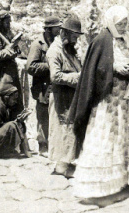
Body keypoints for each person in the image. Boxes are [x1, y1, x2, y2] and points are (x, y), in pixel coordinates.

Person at [69, 6, 129, 204]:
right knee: (108, 139)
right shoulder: (101, 40)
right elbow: (96, 71)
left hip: (127, 100)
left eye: (125, 23)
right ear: (111, 22)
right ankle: (99, 189)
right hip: (109, 102)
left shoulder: (125, 40)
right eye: (120, 23)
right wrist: (115, 69)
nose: (123, 26)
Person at [46, 14, 83, 177]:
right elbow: (55, 76)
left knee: (69, 130)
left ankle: (67, 163)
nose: (75, 40)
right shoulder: (54, 51)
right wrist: (78, 77)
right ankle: (62, 167)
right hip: (61, 97)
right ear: (64, 34)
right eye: (74, 37)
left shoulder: (69, 49)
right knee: (62, 130)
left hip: (71, 97)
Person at [26, 16, 62, 156]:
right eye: (56, 28)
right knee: (42, 116)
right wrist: (49, 66)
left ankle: (52, 144)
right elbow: (30, 66)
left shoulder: (56, 42)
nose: (58, 30)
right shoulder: (38, 44)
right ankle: (43, 146)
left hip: (53, 85)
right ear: (48, 29)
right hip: (42, 87)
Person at [0, 10, 22, 99]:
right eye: (7, 22)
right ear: (0, 22)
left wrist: (16, 45)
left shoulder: (6, 32)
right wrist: (12, 48)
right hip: (1, 72)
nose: (9, 24)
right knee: (1, 98)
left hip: (11, 71)